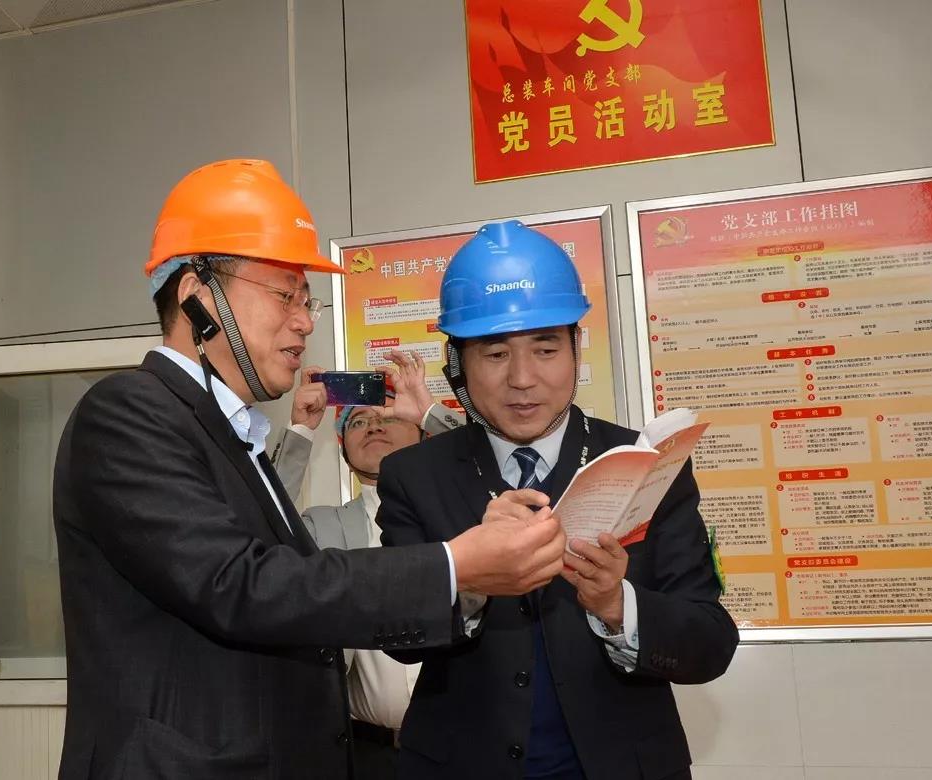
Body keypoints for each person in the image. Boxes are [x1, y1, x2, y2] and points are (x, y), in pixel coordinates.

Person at [52, 161, 566, 780]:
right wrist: (454, 567)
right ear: (197, 296)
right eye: (284, 295)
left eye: (306, 300)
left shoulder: (230, 432)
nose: (304, 320)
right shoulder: (129, 413)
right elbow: (240, 585)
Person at [376, 220, 740, 780]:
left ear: (575, 349)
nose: (523, 379)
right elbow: (397, 637)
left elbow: (710, 642)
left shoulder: (647, 463)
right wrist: (470, 579)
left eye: (545, 349)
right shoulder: (414, 475)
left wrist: (617, 604)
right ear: (458, 366)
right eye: (495, 354)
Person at [272, 350, 464, 778]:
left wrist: (430, 412)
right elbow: (259, 522)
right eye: (357, 422)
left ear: (422, 436)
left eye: (389, 416)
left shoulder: (461, 511)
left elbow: (494, 462)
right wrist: (300, 428)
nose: (374, 425)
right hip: (369, 755)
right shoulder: (321, 527)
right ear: (343, 451)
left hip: (465, 747)